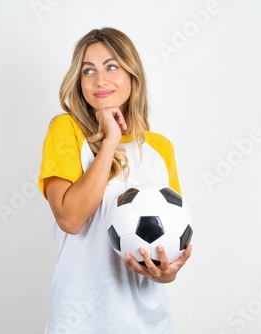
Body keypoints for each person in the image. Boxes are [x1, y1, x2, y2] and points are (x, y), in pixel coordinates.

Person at [38, 27, 193, 334]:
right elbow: (70, 219)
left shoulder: (160, 148)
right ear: (79, 81)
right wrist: (109, 141)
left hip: (149, 322)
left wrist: (167, 275)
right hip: (80, 320)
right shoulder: (66, 129)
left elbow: (170, 241)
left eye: (112, 66)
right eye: (88, 71)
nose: (100, 80)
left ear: (132, 73)